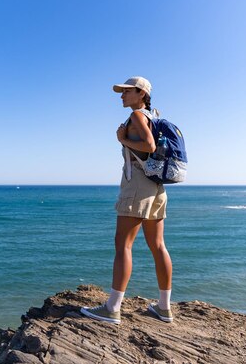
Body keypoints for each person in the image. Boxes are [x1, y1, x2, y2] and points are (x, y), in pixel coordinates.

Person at [80, 76, 173, 324]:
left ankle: (112, 308)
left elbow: (150, 145)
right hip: (157, 186)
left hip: (138, 186)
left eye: (126, 91)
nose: (122, 96)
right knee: (158, 246)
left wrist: (122, 139)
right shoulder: (154, 116)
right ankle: (163, 308)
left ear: (141, 93)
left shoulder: (138, 116)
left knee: (123, 245)